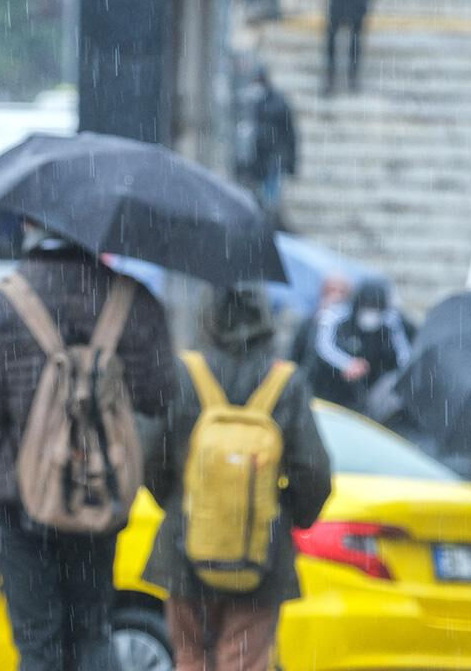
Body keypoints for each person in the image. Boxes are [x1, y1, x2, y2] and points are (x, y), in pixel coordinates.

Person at [0, 224, 176, 671]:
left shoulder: (0, 303)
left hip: (15, 501)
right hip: (99, 492)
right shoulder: (131, 300)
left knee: (38, 640)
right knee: (93, 631)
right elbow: (161, 395)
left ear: (34, 227)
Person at [143, 285, 332, 671]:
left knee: (191, 656)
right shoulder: (286, 382)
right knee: (244, 660)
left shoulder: (185, 374)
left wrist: (183, 503)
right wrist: (282, 515)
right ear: (265, 321)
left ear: (208, 318)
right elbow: (314, 472)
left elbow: (150, 456)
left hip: (186, 546)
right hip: (260, 554)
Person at [310, 279, 409, 409]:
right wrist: (346, 364)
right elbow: (322, 346)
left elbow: (403, 357)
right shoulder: (336, 318)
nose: (371, 314)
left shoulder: (391, 324)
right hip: (329, 390)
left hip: (368, 393)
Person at [321, 0, 382, 94]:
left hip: (356, 3)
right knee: (331, 39)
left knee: (355, 41)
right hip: (338, 2)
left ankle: (353, 77)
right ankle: (330, 77)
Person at [250, 68, 298, 211]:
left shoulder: (278, 104)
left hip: (273, 158)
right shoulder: (254, 103)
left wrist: (291, 163)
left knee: (270, 198)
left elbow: (290, 135)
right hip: (258, 159)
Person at [288, 274, 352, 367]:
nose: (336, 296)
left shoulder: (347, 324)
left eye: (341, 292)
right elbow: (296, 351)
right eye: (331, 290)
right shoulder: (310, 320)